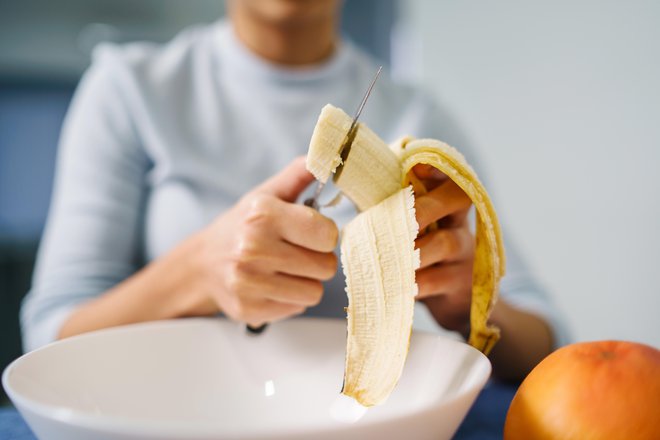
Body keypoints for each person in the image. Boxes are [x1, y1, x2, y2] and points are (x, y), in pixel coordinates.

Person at [21, 0, 568, 381]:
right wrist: (199, 273)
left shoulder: (417, 114)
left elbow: (546, 342)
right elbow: (47, 341)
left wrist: (465, 299)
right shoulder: (127, 89)